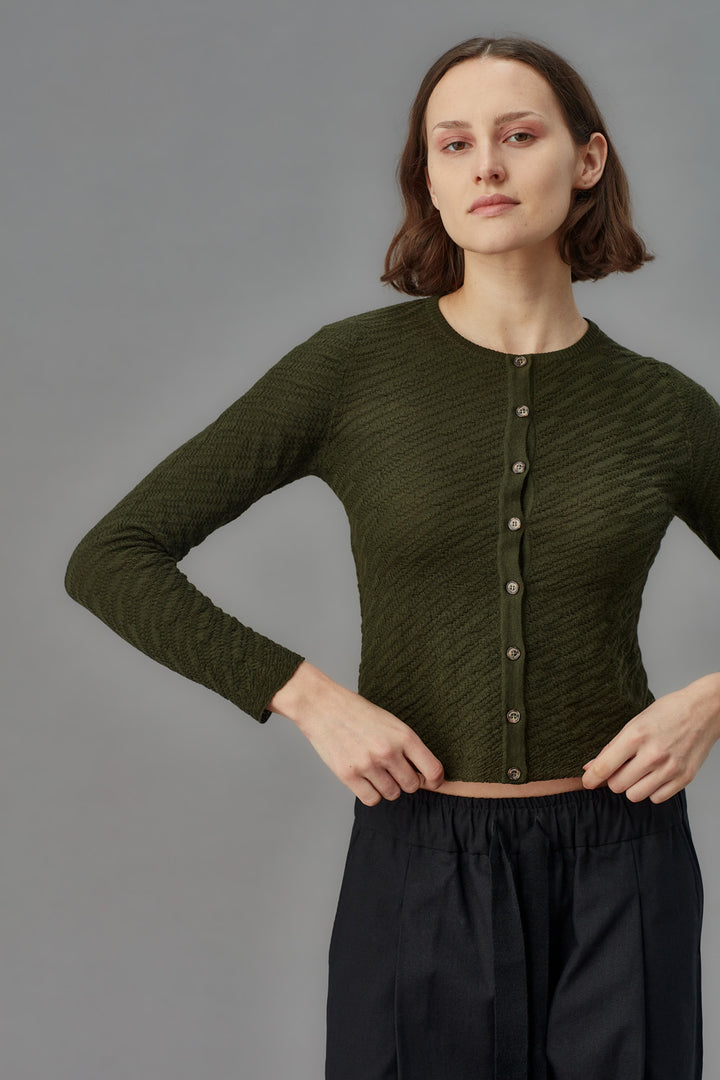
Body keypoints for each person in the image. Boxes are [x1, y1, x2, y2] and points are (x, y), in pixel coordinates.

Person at [64, 33, 718, 1080]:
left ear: (587, 159)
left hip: (626, 871)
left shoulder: (661, 407)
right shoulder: (353, 371)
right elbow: (113, 556)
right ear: (430, 179)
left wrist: (711, 702)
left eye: (519, 135)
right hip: (421, 866)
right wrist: (307, 695)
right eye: (453, 145)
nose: (487, 166)